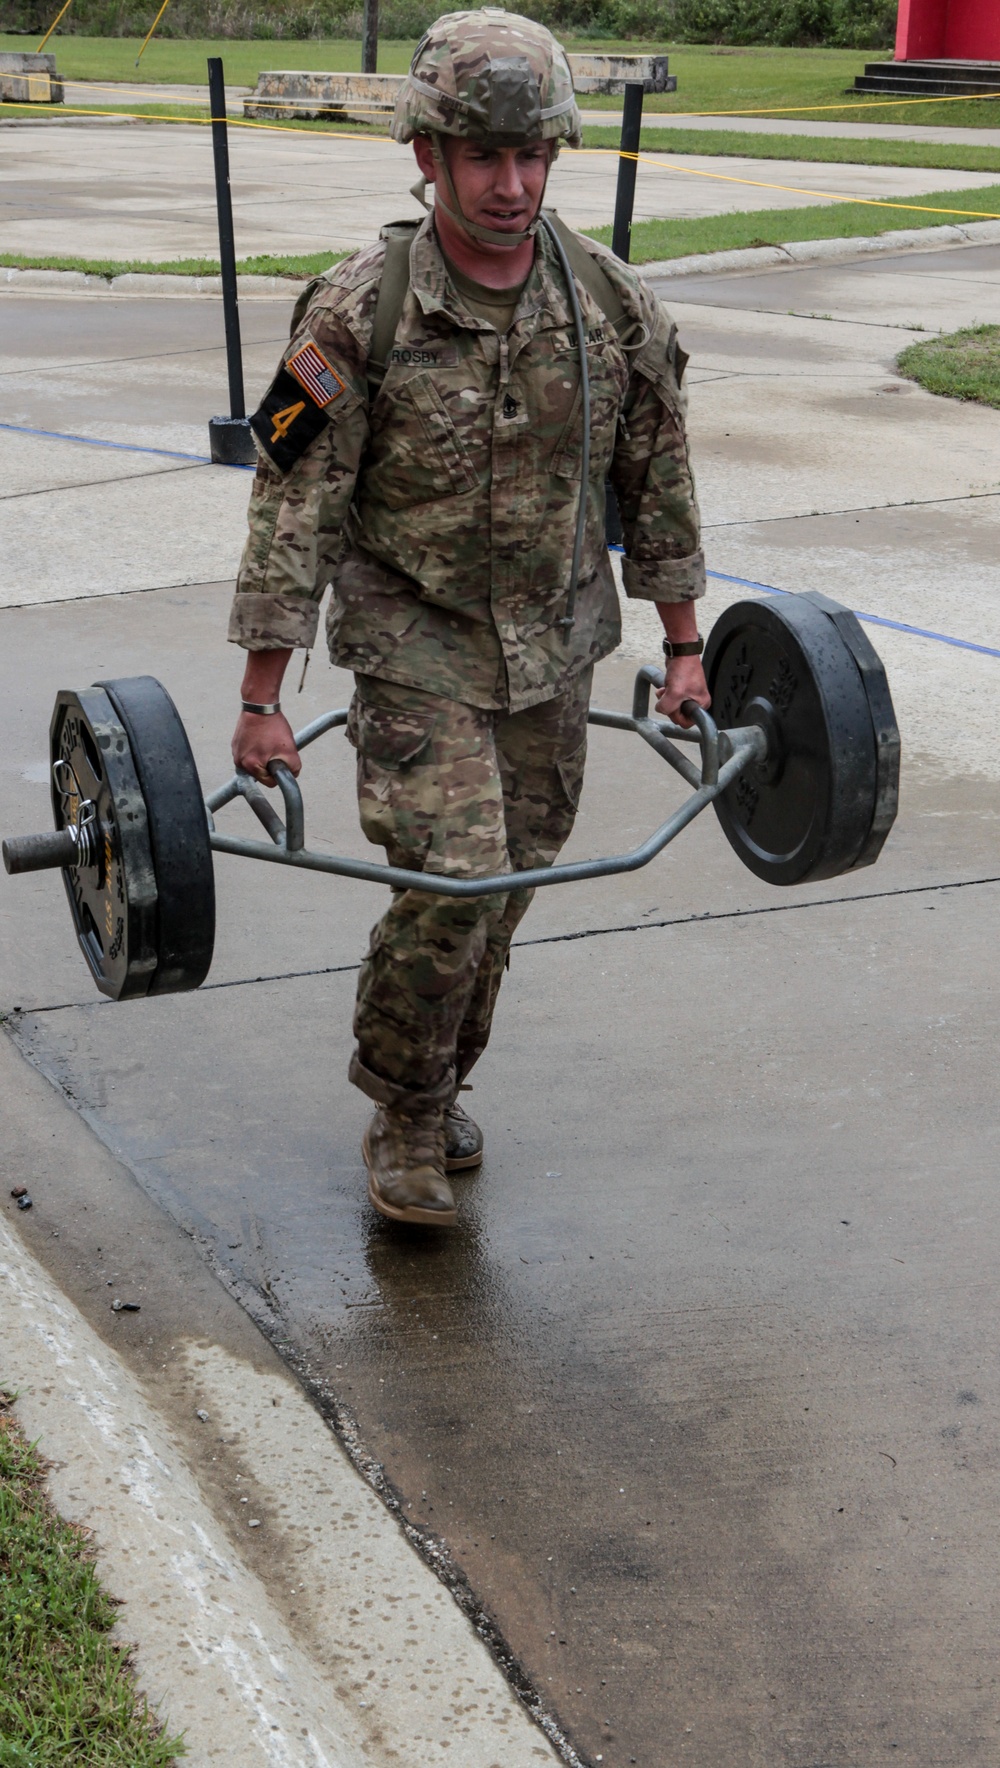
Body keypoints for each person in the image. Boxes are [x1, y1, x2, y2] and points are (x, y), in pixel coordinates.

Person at [229, 7, 710, 1229]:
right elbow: (292, 506)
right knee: (457, 885)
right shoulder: (353, 313)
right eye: (484, 158)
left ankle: (443, 1087)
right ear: (427, 159)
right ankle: (399, 1109)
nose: (512, 184)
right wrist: (260, 702)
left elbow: (658, 479)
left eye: (532, 156)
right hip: (415, 640)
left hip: (556, 643)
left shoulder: (609, 304)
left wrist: (688, 644)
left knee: (510, 894)